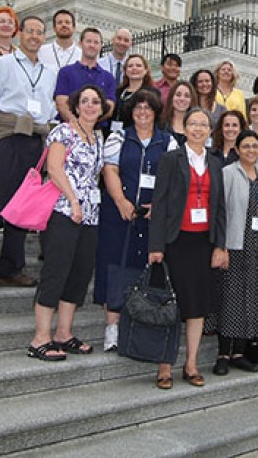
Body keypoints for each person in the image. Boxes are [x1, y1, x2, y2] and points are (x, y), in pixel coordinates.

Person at [0, 16, 57, 291]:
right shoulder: (3, 63)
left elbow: (49, 108)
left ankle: (11, 267)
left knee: (23, 206)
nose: (34, 36)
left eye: (40, 32)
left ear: (44, 38)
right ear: (20, 34)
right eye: (30, 31)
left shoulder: (49, 71)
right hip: (8, 136)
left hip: (34, 141)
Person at [27, 85, 109, 361]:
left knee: (79, 273)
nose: (89, 106)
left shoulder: (97, 137)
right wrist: (73, 201)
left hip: (90, 215)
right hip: (63, 211)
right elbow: (55, 168)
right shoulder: (63, 131)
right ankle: (40, 337)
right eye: (84, 101)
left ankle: (64, 332)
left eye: (95, 101)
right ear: (75, 106)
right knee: (56, 271)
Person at [149, 108, 229, 389]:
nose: (197, 129)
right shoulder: (171, 159)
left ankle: (191, 363)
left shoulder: (216, 163)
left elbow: (220, 209)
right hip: (175, 242)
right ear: (184, 128)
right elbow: (159, 205)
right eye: (192, 124)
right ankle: (165, 365)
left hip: (203, 244)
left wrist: (220, 245)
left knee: (196, 307)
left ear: (210, 130)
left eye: (203, 125)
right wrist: (156, 245)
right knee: (171, 306)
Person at [95, 89, 175, 352]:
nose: (142, 112)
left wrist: (159, 207)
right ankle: (112, 328)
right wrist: (120, 201)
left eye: (148, 108)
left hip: (153, 218)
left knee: (145, 272)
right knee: (116, 267)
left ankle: (141, 328)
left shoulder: (168, 141)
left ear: (155, 112)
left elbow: (174, 178)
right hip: (120, 215)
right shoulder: (119, 137)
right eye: (138, 108)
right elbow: (110, 169)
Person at [213, 131, 258, 375]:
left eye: (255, 146)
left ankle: (239, 353)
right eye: (246, 146)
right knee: (231, 299)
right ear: (237, 150)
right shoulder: (228, 174)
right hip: (236, 246)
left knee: (252, 301)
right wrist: (222, 246)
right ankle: (222, 354)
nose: (251, 150)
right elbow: (221, 212)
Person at [53, 28, 116, 129]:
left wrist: (89, 124)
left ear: (100, 46)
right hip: (69, 130)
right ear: (80, 43)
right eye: (88, 41)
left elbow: (109, 107)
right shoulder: (66, 72)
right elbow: (61, 102)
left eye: (96, 42)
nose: (92, 45)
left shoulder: (108, 77)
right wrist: (79, 126)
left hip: (96, 132)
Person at [113, 53, 157, 130]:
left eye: (138, 66)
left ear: (146, 70)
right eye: (130, 66)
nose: (134, 68)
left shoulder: (152, 93)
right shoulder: (118, 92)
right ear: (125, 71)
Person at [161, 80, 196, 146]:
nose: (182, 99)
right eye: (178, 95)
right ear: (171, 97)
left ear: (191, 100)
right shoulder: (160, 125)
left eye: (187, 96)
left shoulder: (198, 127)